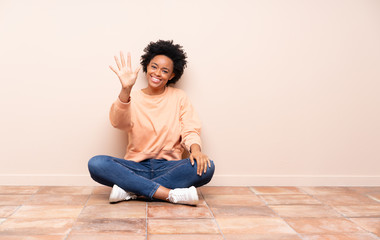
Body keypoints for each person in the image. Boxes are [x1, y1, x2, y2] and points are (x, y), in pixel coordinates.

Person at [88, 40, 215, 205]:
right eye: (154, 67)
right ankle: (169, 194)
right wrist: (125, 89)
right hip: (135, 167)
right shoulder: (133, 97)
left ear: (172, 75)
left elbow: (190, 129)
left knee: (208, 166)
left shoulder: (179, 97)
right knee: (96, 163)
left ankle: (133, 191)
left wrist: (196, 151)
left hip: (169, 167)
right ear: (146, 67)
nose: (157, 73)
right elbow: (118, 123)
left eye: (165, 71)